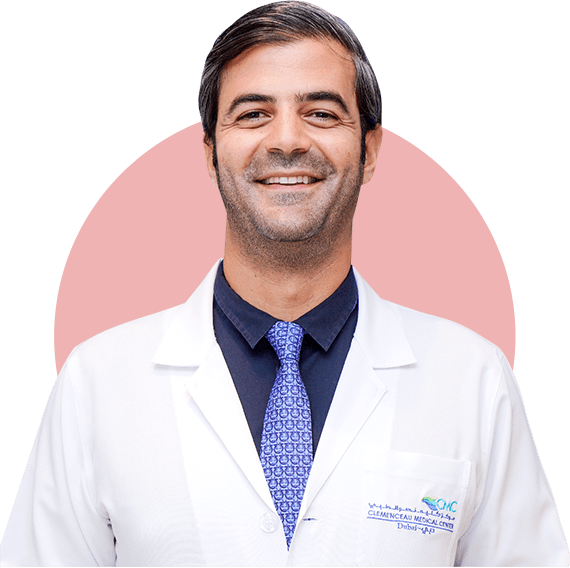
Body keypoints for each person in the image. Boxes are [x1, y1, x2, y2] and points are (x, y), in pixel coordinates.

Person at [1, 1, 567, 566]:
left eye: (321, 113)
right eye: (253, 114)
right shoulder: (97, 383)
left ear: (370, 150)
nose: (288, 140)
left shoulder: (472, 379)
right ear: (210, 153)